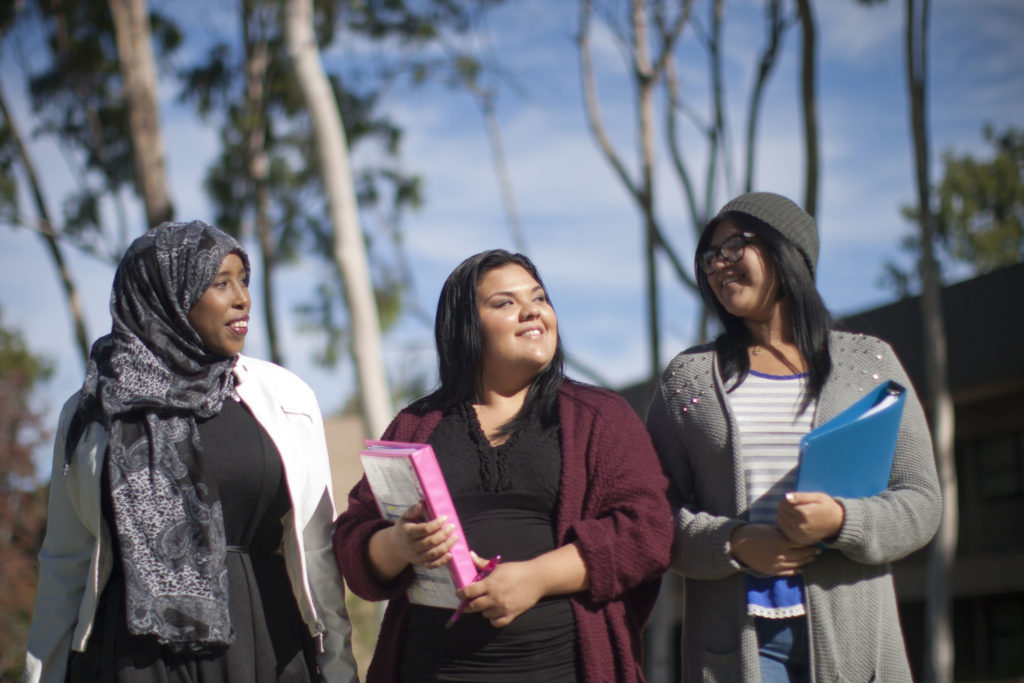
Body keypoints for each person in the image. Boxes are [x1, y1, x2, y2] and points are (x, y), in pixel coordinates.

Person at [25, 221, 357, 683]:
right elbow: (66, 561)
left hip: (267, 643)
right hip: (128, 659)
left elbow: (317, 548)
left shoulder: (286, 398)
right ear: (164, 296)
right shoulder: (95, 409)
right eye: (220, 283)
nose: (242, 297)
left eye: (244, 279)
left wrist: (339, 665)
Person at [334, 249, 672, 682]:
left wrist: (535, 578)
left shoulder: (600, 416)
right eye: (505, 303)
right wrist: (399, 546)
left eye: (539, 298)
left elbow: (649, 532)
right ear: (465, 328)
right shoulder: (415, 425)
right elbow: (352, 541)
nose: (531, 311)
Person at [645, 192, 942, 682]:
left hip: (856, 642)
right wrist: (735, 542)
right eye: (710, 256)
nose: (719, 265)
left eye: (734, 246)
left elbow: (922, 501)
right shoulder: (689, 379)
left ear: (790, 253)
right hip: (740, 651)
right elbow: (653, 514)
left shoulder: (870, 364)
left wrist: (843, 519)